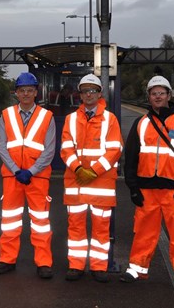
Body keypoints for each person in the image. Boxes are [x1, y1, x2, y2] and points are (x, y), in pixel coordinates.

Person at [121, 75, 174, 293]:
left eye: (161, 93)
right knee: (143, 232)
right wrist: (133, 187)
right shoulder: (141, 123)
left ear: (169, 95)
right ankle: (136, 268)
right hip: (147, 189)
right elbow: (131, 156)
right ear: (148, 96)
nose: (157, 97)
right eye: (154, 93)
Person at [0, 72, 56, 279]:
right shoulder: (6, 115)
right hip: (13, 177)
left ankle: (44, 262)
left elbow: (50, 149)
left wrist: (31, 171)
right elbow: (1, 146)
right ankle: (7, 260)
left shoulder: (47, 117)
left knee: (40, 221)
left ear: (36, 92)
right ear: (16, 93)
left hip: (37, 178)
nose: (26, 94)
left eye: (30, 90)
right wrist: (16, 170)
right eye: (22, 91)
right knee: (10, 221)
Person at [60, 74, 123, 282]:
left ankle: (98, 266)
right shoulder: (71, 119)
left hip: (100, 183)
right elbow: (66, 148)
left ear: (100, 94)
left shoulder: (110, 119)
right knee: (76, 226)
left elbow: (115, 150)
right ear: (80, 94)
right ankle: (76, 265)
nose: (89, 94)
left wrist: (93, 171)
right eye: (85, 90)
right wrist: (79, 169)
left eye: (93, 90)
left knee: (101, 228)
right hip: (77, 182)